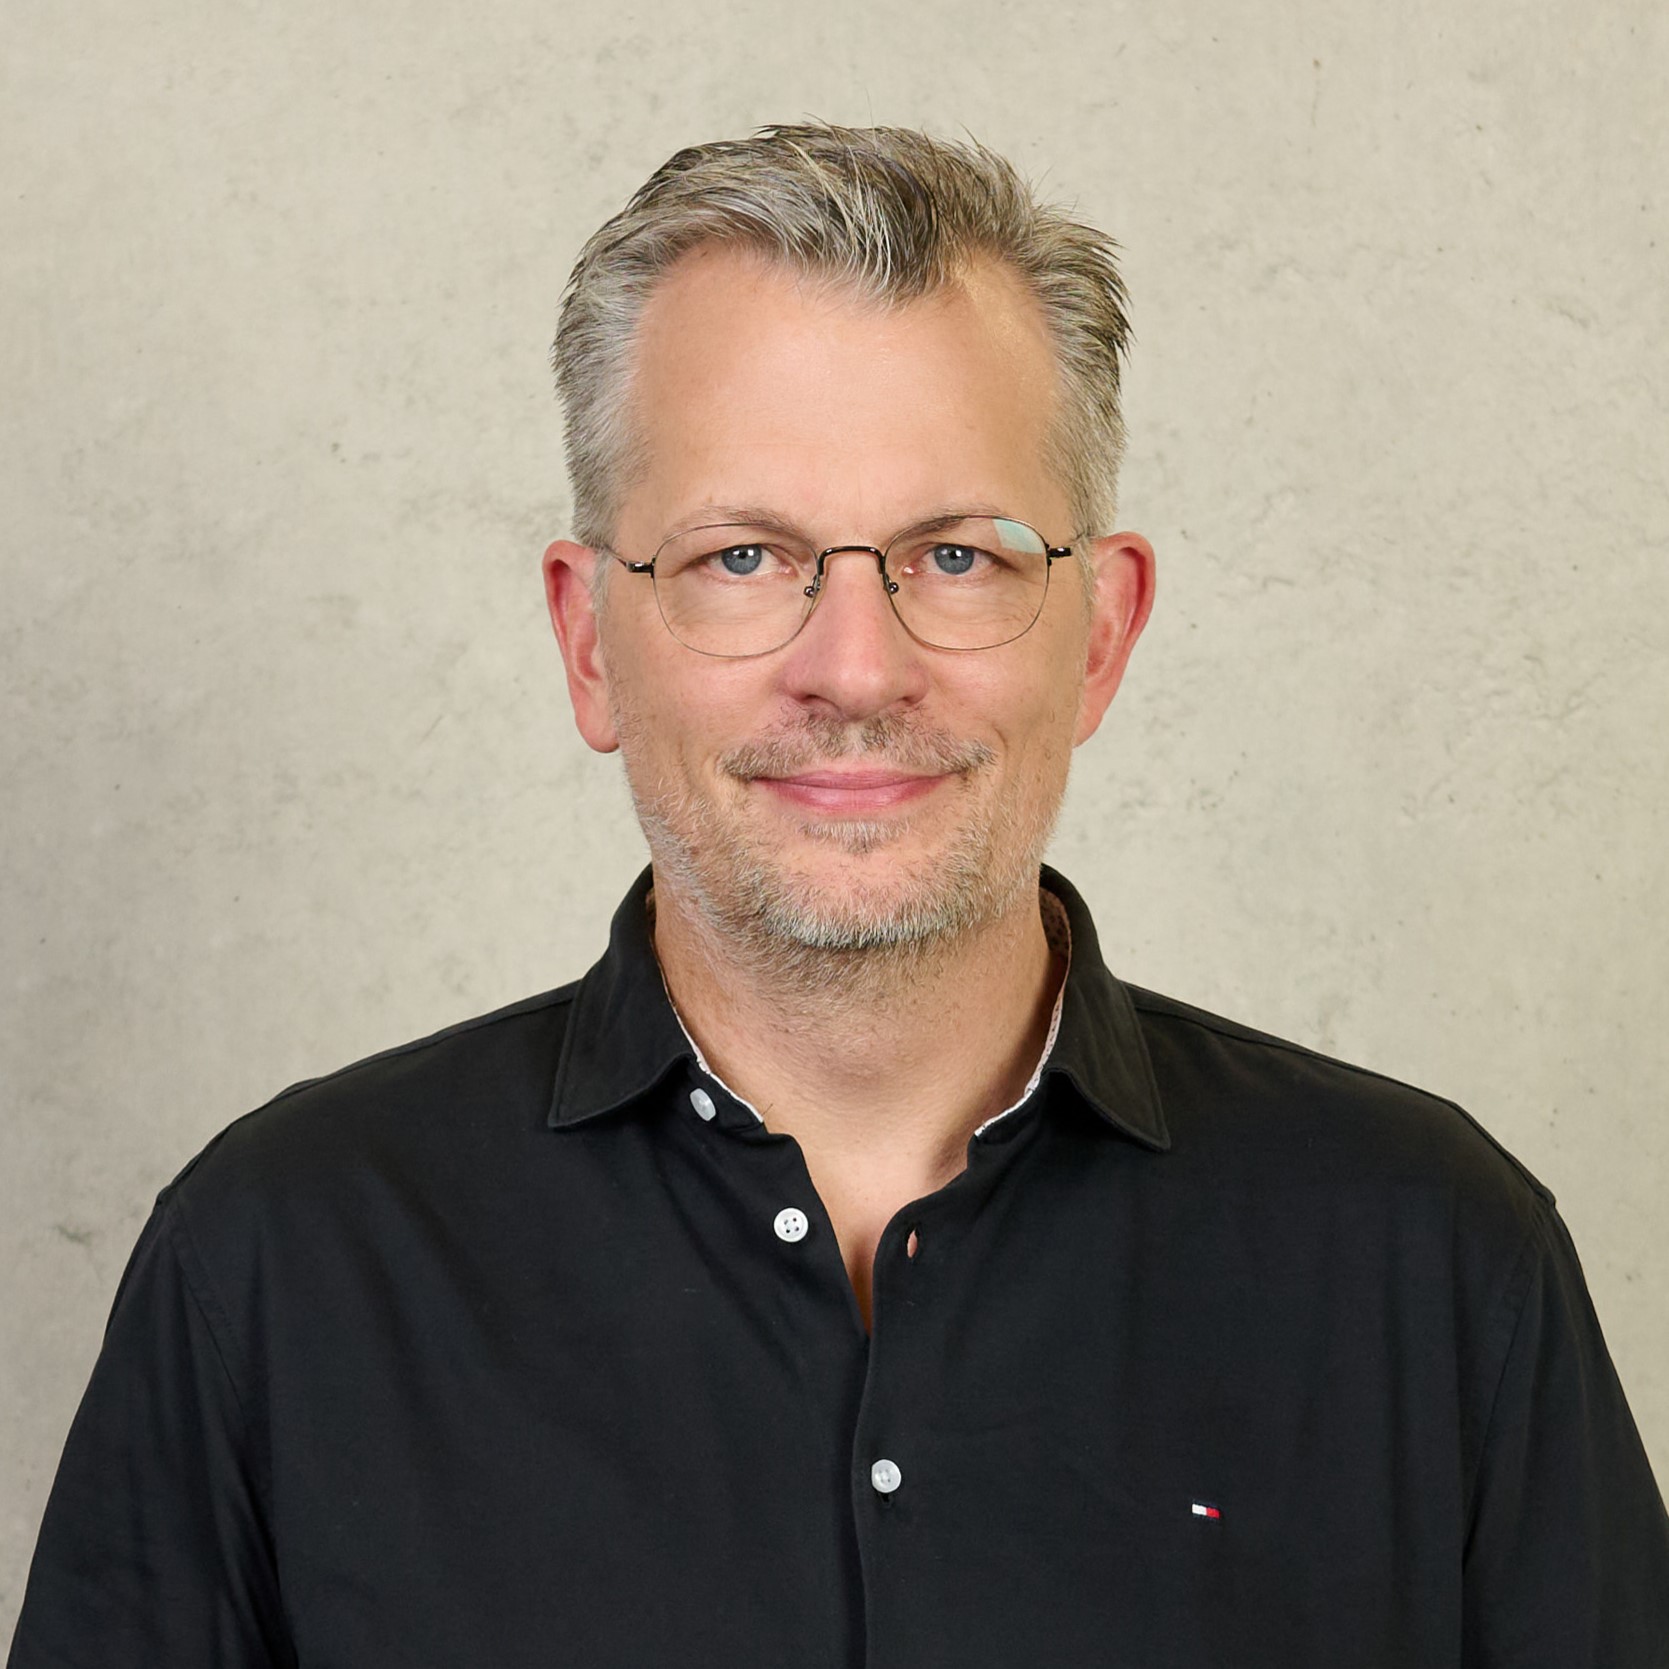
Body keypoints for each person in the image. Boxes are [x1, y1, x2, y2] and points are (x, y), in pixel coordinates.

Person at [9, 122, 1668, 1668]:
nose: (853, 667)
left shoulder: (1438, 1260)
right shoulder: (283, 1264)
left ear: (1098, 631)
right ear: (591, 639)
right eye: (743, 556)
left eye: (958, 553)